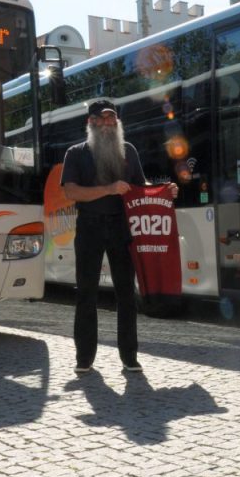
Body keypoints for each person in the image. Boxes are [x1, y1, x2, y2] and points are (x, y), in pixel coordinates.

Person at [60, 98, 177, 375]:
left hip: (122, 227)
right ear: (91, 122)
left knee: (126, 294)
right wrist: (109, 189)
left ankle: (130, 357)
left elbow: (139, 186)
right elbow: (71, 192)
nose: (108, 124)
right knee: (86, 293)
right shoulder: (75, 153)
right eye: (103, 118)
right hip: (89, 226)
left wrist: (163, 191)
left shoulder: (128, 151)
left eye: (112, 119)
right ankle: (84, 358)